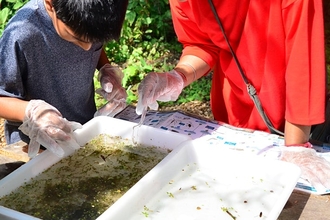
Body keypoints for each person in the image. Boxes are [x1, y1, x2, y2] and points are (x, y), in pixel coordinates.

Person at [136, 0, 330, 191]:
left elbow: (303, 56)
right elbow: (201, 44)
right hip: (233, 111)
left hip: (294, 116)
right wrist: (178, 76)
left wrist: (296, 146)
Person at [0, 0, 128, 158]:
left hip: (84, 132)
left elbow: (92, 43)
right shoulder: (22, 33)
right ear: (50, 4)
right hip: (36, 147)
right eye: (76, 38)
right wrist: (31, 111)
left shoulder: (92, 17)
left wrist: (106, 69)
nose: (87, 48)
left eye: (94, 40)